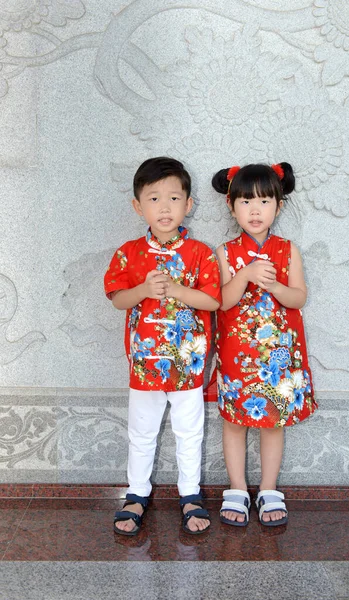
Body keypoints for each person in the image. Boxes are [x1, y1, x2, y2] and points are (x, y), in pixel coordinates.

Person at [104, 157, 221, 536]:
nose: (165, 207)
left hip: (188, 364)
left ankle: (190, 494)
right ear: (139, 206)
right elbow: (118, 299)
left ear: (188, 204)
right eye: (154, 198)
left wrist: (175, 289)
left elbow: (213, 302)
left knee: (190, 432)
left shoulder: (201, 253)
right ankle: (136, 493)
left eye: (174, 198)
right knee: (142, 431)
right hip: (145, 365)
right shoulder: (128, 252)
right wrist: (142, 290)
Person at [211, 162, 318, 527]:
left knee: (273, 422)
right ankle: (238, 489)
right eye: (245, 201)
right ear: (231, 206)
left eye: (263, 201)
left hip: (278, 356)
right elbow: (222, 301)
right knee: (235, 422)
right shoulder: (225, 253)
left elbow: (299, 298)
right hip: (237, 356)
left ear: (279, 205)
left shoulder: (288, 251)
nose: (254, 210)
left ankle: (270, 488)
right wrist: (245, 274)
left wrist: (274, 285)